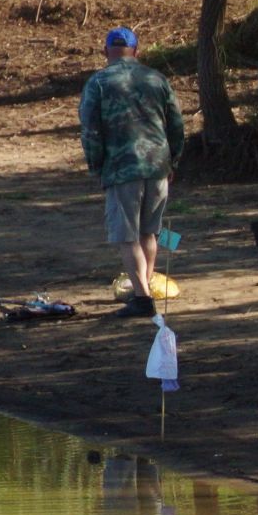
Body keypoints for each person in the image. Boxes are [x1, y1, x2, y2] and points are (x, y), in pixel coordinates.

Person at [79, 26, 185, 319]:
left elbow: (90, 130)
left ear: (105, 52)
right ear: (137, 52)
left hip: (122, 168)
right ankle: (144, 288)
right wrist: (172, 161)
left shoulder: (99, 83)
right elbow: (177, 124)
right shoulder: (156, 79)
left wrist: (96, 165)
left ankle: (141, 297)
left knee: (127, 236)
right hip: (157, 166)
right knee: (149, 231)